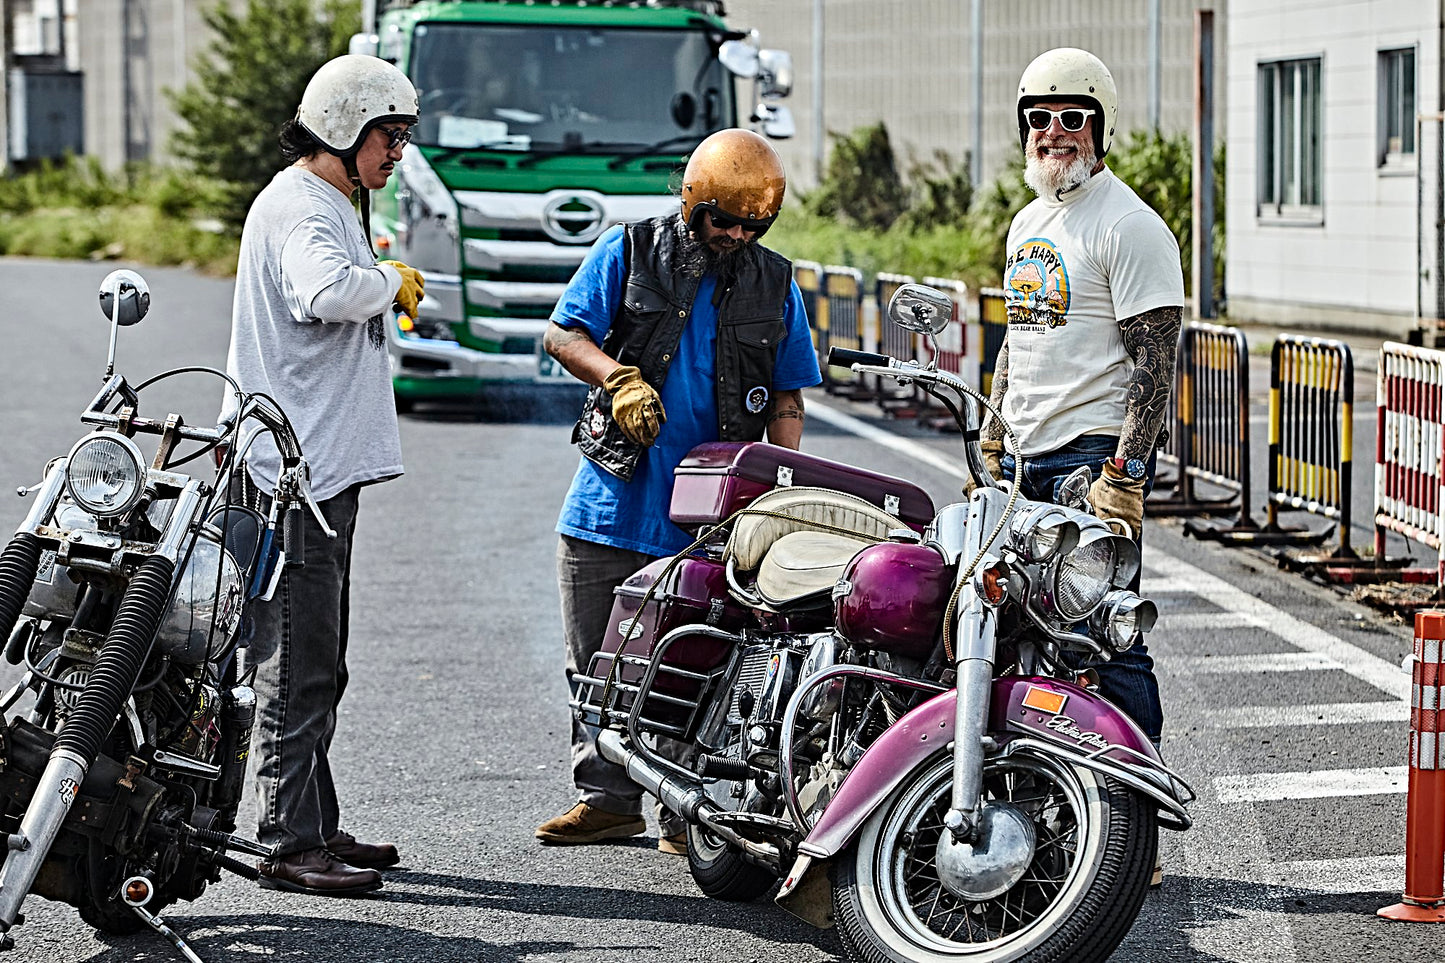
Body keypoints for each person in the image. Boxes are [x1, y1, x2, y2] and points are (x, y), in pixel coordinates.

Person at [535, 128, 822, 853]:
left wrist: (777, 488)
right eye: (720, 219)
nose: (732, 235)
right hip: (611, 497)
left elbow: (787, 397)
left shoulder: (774, 280)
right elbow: (563, 334)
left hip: (712, 510)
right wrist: (618, 377)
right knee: (596, 658)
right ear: (692, 201)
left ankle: (679, 810)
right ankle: (605, 798)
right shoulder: (628, 250)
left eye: (749, 225)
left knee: (702, 663)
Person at [223, 54, 425, 897]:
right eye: (390, 135)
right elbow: (323, 291)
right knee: (295, 662)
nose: (397, 153)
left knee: (320, 657)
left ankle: (314, 819)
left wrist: (378, 276)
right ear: (345, 127)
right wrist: (388, 279)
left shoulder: (322, 199)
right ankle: (286, 840)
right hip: (288, 478)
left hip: (316, 472)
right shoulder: (304, 206)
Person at [981, 47, 1184, 751]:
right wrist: (992, 422)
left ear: (1100, 128)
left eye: (1072, 116)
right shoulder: (1027, 222)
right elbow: (1020, 330)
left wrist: (1123, 477)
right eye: (1038, 117)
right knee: (1009, 627)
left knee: (1105, 631)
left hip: (1091, 459)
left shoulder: (1127, 225)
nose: (1053, 131)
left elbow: (1155, 360)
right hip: (1021, 457)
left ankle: (1138, 821)